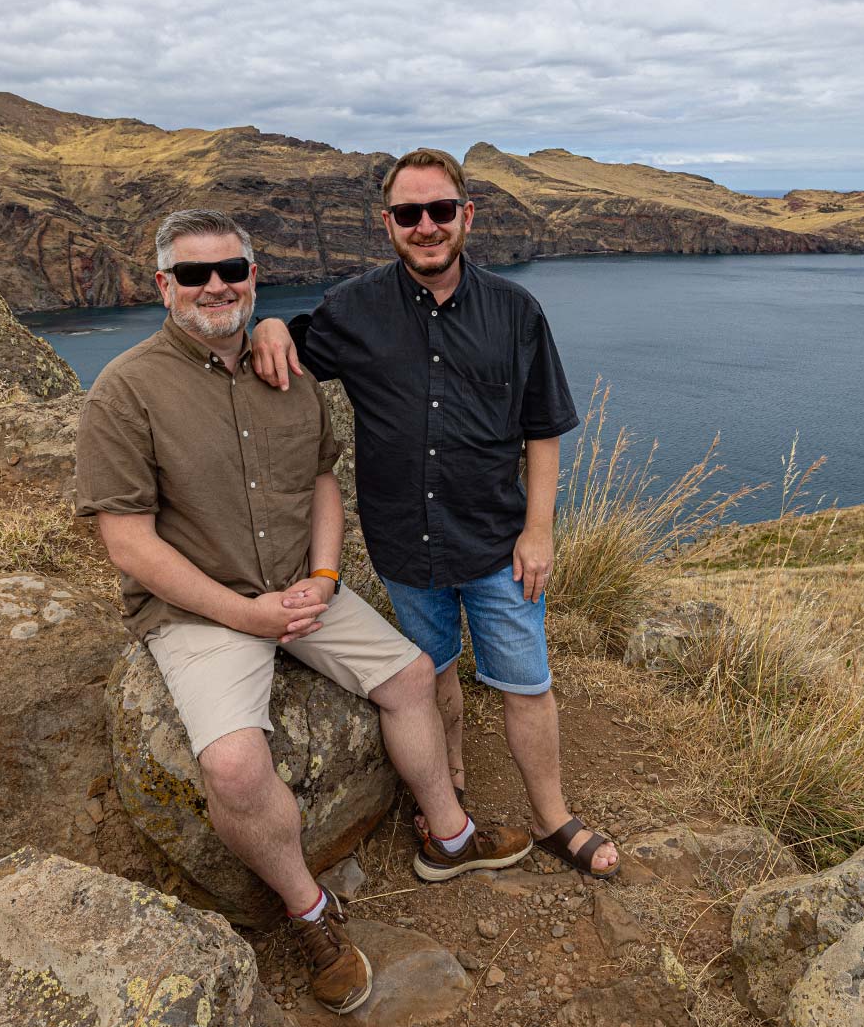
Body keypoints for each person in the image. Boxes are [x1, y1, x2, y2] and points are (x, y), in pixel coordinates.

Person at [75, 207, 534, 1016]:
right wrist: (242, 615)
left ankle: (448, 835)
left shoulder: (281, 369)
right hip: (201, 612)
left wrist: (324, 577)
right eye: (192, 274)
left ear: (255, 278)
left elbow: (323, 478)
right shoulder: (126, 391)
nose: (214, 286)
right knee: (233, 765)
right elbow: (129, 544)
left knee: (412, 675)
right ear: (162, 285)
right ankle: (310, 911)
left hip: (300, 586)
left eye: (231, 271)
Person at [249, 149, 621, 880]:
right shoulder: (353, 308)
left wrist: (539, 530)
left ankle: (551, 816)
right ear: (387, 223)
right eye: (409, 214)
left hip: (495, 544)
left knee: (525, 681)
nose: (426, 226)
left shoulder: (516, 312)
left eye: (440, 210)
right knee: (433, 674)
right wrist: (266, 325)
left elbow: (542, 427)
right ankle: (447, 778)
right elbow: (284, 350)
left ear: (466, 216)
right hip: (404, 541)